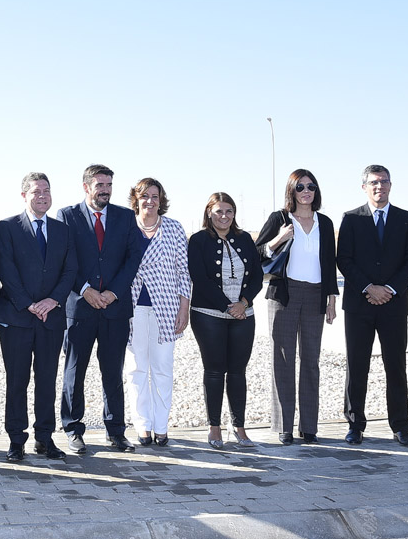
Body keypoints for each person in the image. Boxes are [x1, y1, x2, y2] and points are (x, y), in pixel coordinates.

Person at [57, 164, 144, 454]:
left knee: (112, 372)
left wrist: (113, 293)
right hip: (80, 308)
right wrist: (86, 290)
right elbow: (64, 259)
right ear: (86, 187)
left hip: (114, 309)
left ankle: (116, 432)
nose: (105, 190)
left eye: (108, 185)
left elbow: (133, 258)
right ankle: (73, 429)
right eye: (99, 185)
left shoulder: (125, 217)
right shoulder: (67, 216)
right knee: (74, 371)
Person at [334, 165, 408, 447]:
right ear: (364, 187)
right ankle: (355, 424)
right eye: (373, 182)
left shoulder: (406, 219)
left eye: (383, 181)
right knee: (357, 366)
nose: (378, 186)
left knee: (395, 366)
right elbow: (344, 259)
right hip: (360, 305)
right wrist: (369, 288)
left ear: (391, 185)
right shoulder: (351, 219)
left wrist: (390, 289)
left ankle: (400, 426)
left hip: (394, 306)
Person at [0, 173, 77, 461]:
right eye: (35, 191)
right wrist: (29, 304)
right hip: (17, 318)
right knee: (16, 381)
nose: (42, 195)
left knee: (47, 381)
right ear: (24, 196)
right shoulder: (6, 227)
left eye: (46, 190)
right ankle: (16, 440)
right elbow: (5, 268)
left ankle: (45, 438)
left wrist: (52, 300)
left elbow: (70, 270)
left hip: (51, 319)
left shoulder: (62, 230)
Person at [256, 168, 338, 445]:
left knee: (311, 361)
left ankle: (309, 427)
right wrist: (279, 238)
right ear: (291, 191)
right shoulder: (279, 218)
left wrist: (332, 298)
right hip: (284, 296)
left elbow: (329, 263)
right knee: (283, 360)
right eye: (300, 187)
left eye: (311, 187)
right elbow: (257, 254)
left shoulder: (324, 223)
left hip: (316, 295)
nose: (306, 192)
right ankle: (284, 426)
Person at [187, 193, 262, 449]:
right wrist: (227, 307)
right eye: (218, 211)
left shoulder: (244, 239)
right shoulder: (198, 241)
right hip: (209, 315)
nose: (224, 216)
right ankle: (214, 427)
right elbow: (199, 277)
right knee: (215, 370)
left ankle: (239, 427)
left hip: (244, 315)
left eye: (229, 211)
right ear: (209, 212)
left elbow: (258, 277)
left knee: (238, 372)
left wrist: (244, 304)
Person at [124, 178, 191, 447]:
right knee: (136, 369)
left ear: (161, 200)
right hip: (131, 306)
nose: (149, 201)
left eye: (155, 196)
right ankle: (143, 426)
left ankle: (161, 426)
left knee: (162, 368)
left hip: (165, 306)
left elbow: (183, 271)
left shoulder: (174, 229)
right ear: (136, 199)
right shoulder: (126, 227)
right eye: (144, 196)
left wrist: (184, 308)